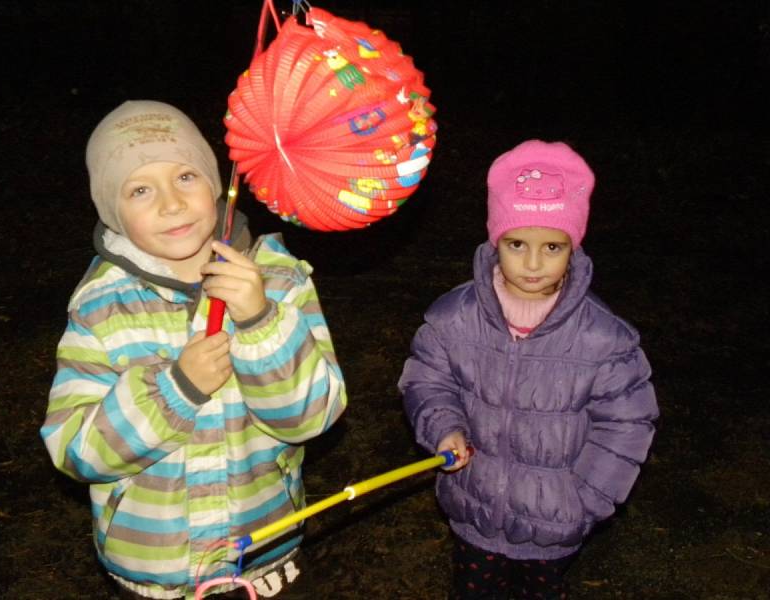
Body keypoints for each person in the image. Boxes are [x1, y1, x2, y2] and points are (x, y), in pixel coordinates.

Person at [40, 100, 347, 599]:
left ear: (216, 183)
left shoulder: (278, 279)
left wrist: (259, 320)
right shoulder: (101, 309)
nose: (171, 204)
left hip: (263, 558)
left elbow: (311, 417)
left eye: (186, 177)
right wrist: (173, 391)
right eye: (140, 190)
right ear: (112, 214)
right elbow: (76, 452)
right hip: (154, 573)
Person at [398, 139, 659, 599]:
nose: (534, 263)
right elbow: (428, 379)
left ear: (573, 247)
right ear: (495, 239)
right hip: (473, 510)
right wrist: (444, 427)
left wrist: (586, 500)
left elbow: (628, 424)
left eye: (553, 246)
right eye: (517, 243)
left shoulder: (603, 338)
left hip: (553, 525)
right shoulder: (454, 317)